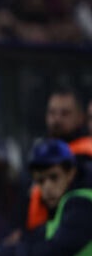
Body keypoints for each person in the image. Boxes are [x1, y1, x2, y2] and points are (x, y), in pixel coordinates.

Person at [25, 88, 92, 230]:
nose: (57, 119)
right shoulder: (37, 156)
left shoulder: (86, 159)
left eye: (65, 113)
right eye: (52, 112)